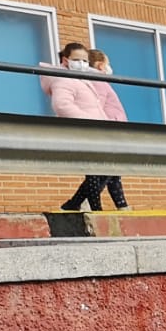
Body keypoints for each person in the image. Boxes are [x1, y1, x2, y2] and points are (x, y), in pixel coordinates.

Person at [42, 42, 127, 211]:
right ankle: (89, 206)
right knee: (99, 170)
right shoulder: (65, 80)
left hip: (98, 130)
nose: (81, 64)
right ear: (66, 61)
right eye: (77, 60)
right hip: (89, 130)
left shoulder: (83, 80)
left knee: (107, 170)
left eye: (84, 60)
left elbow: (96, 106)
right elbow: (62, 105)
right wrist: (89, 120)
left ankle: (78, 204)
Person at [86, 49, 130, 211]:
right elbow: (98, 106)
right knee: (107, 169)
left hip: (111, 129)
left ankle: (122, 204)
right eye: (107, 64)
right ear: (99, 65)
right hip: (110, 129)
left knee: (112, 171)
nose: (109, 68)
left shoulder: (94, 81)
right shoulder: (99, 82)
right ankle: (81, 201)